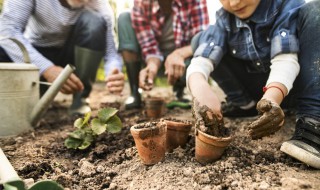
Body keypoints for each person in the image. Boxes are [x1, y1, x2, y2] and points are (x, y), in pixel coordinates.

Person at [187, 0, 320, 169]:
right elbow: (201, 60)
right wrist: (200, 87)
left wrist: (272, 97)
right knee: (200, 40)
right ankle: (245, 105)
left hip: (292, 88)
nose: (234, 3)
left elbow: (285, 59)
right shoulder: (224, 19)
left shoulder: (285, 6)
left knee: (316, 11)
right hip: (259, 94)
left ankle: (313, 122)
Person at [0, 0, 125, 115]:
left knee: (94, 22)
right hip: (36, 54)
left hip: (71, 58)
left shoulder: (101, 6)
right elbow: (7, 30)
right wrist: (46, 68)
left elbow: (111, 53)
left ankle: (80, 98)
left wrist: (113, 71)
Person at [117, 0, 209, 109]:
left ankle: (180, 90)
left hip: (184, 62)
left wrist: (179, 54)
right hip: (152, 60)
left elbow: (202, 41)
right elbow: (149, 46)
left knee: (203, 53)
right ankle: (134, 91)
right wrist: (152, 65)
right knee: (124, 18)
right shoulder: (141, 2)